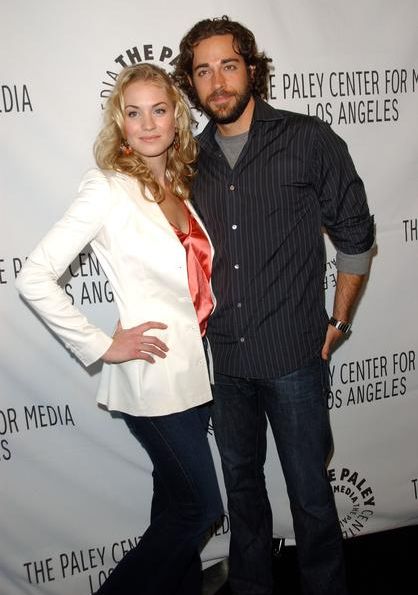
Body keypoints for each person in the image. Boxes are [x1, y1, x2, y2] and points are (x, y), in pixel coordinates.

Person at [173, 16, 375, 595]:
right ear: (191, 82)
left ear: (252, 70)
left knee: (310, 495)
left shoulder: (308, 139)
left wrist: (340, 320)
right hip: (226, 365)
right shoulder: (189, 160)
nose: (217, 82)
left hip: (294, 359)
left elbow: (356, 234)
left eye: (228, 66)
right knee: (242, 493)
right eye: (203, 71)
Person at [16, 63, 223, 595]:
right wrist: (103, 344)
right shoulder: (107, 188)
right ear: (120, 123)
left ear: (177, 119)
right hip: (152, 380)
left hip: (193, 376)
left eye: (159, 110)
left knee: (172, 507)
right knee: (200, 509)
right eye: (135, 113)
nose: (148, 124)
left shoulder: (177, 186)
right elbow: (33, 276)